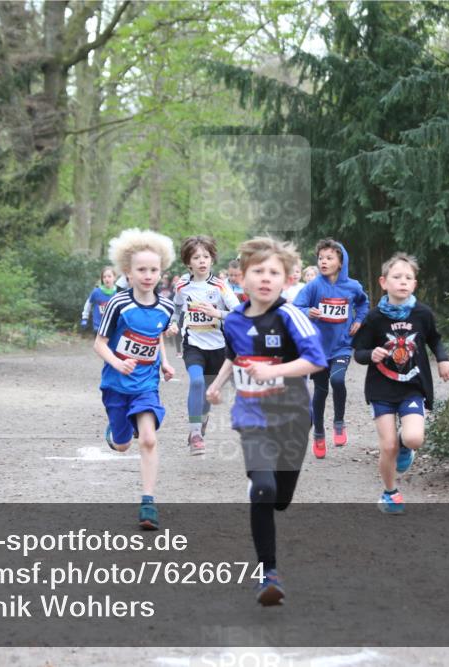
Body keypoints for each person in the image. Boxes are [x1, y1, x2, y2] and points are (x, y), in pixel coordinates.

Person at [206, 236, 326, 606]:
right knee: (264, 490)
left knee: (281, 499)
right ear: (242, 277)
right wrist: (218, 385)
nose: (265, 278)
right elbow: (235, 357)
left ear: (287, 280)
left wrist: (276, 370)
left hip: (291, 417)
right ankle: (268, 573)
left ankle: (267, 491)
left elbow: (316, 360)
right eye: (258, 271)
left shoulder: (291, 316)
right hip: (252, 415)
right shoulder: (234, 321)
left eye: (274, 272)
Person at [352, 253, 449, 514]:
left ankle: (403, 445)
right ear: (383, 282)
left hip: (413, 385)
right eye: (396, 277)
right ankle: (390, 492)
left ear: (414, 284)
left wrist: (443, 360)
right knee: (386, 446)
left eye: (408, 278)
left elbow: (435, 339)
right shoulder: (375, 317)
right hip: (381, 388)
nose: (403, 281)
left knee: (413, 438)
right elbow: (359, 351)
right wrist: (371, 354)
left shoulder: (422, 313)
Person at [94, 228, 177, 531]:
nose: (148, 275)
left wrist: (165, 364)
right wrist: (118, 362)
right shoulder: (119, 304)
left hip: (145, 385)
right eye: (141, 269)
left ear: (161, 271)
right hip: (116, 385)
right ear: (127, 272)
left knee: (149, 439)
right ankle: (115, 435)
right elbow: (99, 343)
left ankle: (148, 502)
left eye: (153, 269)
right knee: (122, 445)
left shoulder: (166, 307)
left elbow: (154, 339)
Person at [292, 239, 369, 458]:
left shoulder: (352, 286)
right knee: (320, 391)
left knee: (337, 380)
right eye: (320, 258)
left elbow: (364, 303)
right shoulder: (314, 285)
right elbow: (297, 306)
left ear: (341, 262)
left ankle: (339, 422)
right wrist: (308, 312)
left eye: (329, 258)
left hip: (342, 346)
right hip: (317, 349)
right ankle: (318, 433)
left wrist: (359, 320)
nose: (323, 262)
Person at [173, 235, 239, 455]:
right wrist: (173, 323)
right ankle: (195, 434)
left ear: (212, 259)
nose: (202, 260)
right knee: (197, 382)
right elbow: (176, 309)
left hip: (219, 348)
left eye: (206, 256)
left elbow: (239, 315)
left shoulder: (221, 286)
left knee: (209, 393)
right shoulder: (182, 286)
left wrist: (216, 313)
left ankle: (201, 422)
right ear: (188, 262)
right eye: (196, 257)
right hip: (193, 345)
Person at [81, 267, 118, 332]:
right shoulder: (96, 292)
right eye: (104, 277)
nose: (107, 279)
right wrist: (85, 318)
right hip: (98, 325)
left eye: (109, 276)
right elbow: (88, 304)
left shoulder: (117, 295)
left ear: (114, 278)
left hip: (110, 327)